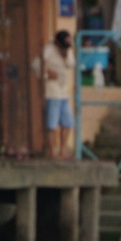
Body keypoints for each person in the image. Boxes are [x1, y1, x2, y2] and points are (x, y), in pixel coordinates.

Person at [42, 30, 76, 158]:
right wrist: (47, 75)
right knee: (51, 124)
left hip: (64, 92)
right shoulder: (48, 50)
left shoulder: (67, 51)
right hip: (52, 92)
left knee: (68, 123)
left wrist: (66, 55)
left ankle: (63, 149)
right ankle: (51, 151)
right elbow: (36, 66)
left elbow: (72, 64)